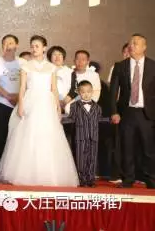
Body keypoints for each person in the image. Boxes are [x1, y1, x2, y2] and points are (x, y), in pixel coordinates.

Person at [0, 35, 78, 187]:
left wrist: (57, 108)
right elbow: (22, 88)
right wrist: (21, 105)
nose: (34, 49)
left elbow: (54, 89)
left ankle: (48, 175)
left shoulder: (51, 67)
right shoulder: (26, 66)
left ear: (44, 48)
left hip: (46, 103)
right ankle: (26, 174)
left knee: (47, 136)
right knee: (28, 136)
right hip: (30, 102)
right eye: (32, 46)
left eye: (37, 46)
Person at [110, 34, 155, 189]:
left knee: (148, 149)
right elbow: (113, 91)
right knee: (127, 147)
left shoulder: (152, 66)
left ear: (144, 47)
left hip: (147, 113)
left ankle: (151, 179)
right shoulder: (120, 66)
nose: (131, 46)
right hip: (127, 113)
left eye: (135, 43)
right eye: (130, 43)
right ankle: (128, 179)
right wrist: (114, 111)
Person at [0, 35, 22, 179]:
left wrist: (18, 98)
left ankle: (14, 173)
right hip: (1, 105)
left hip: (19, 106)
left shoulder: (23, 63)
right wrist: (8, 96)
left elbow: (27, 84)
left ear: (17, 45)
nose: (8, 46)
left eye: (11, 43)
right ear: (2, 46)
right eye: (5, 43)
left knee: (17, 140)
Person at [65, 80, 101, 187]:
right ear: (79, 92)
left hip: (93, 137)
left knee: (92, 159)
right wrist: (60, 120)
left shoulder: (97, 107)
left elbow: (99, 120)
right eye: (83, 92)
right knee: (81, 159)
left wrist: (110, 120)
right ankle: (82, 179)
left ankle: (91, 179)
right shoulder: (74, 106)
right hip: (80, 137)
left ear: (92, 92)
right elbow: (71, 119)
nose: (86, 94)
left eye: (88, 91)